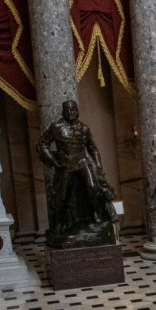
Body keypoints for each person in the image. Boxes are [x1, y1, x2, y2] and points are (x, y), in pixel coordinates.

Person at [37, 100, 117, 243]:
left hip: (82, 162)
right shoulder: (57, 127)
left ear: (77, 111)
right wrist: (52, 160)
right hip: (66, 165)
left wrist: (98, 166)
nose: (70, 112)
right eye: (67, 110)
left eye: (73, 110)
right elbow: (42, 143)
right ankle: (58, 223)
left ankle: (96, 216)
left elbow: (92, 148)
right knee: (62, 196)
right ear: (63, 111)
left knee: (93, 188)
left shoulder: (84, 128)